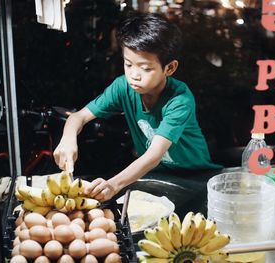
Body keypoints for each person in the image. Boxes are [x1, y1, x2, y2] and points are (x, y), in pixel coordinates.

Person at [53, 12, 222, 202]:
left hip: (195, 178)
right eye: (128, 64)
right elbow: (79, 117)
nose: (134, 75)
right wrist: (68, 138)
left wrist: (112, 184)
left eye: (146, 68)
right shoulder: (122, 87)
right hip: (154, 175)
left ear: (170, 68)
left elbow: (154, 155)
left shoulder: (180, 99)